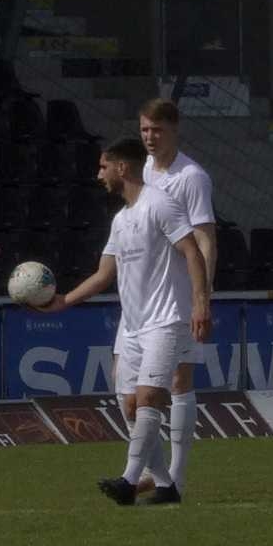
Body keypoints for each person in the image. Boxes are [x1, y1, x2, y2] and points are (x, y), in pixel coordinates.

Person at [39, 137, 211, 504]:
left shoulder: (160, 203)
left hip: (166, 320)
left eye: (103, 166)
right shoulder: (121, 219)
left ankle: (128, 481)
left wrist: (200, 303)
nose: (98, 174)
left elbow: (192, 252)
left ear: (122, 167)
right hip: (132, 326)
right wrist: (63, 301)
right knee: (130, 404)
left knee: (149, 396)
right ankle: (165, 485)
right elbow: (104, 275)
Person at [112, 98, 217, 502]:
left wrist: (201, 297)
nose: (150, 137)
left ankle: (176, 476)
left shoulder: (191, 177)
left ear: (174, 129)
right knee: (129, 392)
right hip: (142, 299)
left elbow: (204, 239)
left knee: (178, 381)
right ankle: (157, 477)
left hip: (178, 297)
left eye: (157, 130)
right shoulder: (141, 173)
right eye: (144, 130)